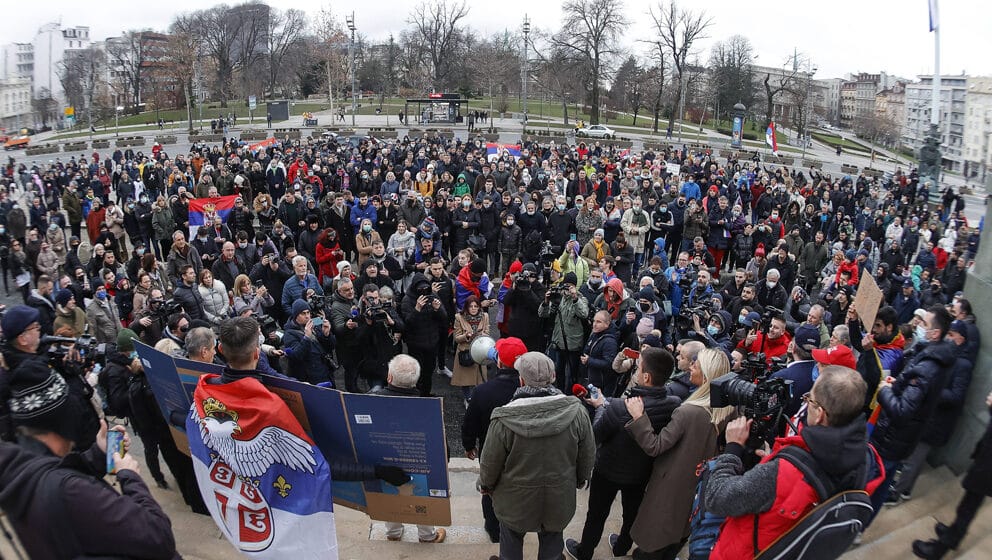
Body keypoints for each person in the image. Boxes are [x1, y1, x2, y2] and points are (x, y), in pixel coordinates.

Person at [704, 366, 885, 559]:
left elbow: (717, 498)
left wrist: (733, 448)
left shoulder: (783, 472)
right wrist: (775, 459)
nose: (806, 404)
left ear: (820, 414)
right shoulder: (867, 456)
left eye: (810, 400)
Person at [0, 373, 178, 558]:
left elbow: (56, 471)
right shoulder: (72, 491)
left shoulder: (22, 474)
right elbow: (159, 536)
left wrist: (99, 453)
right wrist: (129, 476)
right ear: (63, 421)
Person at [566, 347, 682, 560]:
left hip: (608, 471)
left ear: (646, 377)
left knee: (596, 515)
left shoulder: (619, 408)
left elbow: (595, 436)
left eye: (639, 368)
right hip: (641, 474)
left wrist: (601, 407)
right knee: (631, 514)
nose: (636, 371)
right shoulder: (674, 404)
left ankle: (585, 552)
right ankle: (621, 547)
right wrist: (608, 404)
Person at [480, 352, 596, 560]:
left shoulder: (503, 418)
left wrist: (486, 485)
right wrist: (580, 479)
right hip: (558, 496)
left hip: (514, 500)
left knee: (511, 540)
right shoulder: (577, 412)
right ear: (552, 376)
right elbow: (588, 454)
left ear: (522, 379)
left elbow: (490, 462)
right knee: (552, 540)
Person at [624, 348, 736, 559]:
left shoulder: (689, 412)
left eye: (696, 365)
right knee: (676, 536)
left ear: (706, 376)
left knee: (654, 541)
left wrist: (639, 418)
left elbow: (654, 446)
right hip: (698, 490)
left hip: (671, 488)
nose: (690, 367)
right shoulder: (730, 409)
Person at [868, 305, 955, 520]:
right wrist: (898, 385)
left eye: (925, 324)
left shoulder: (929, 367)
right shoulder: (932, 357)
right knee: (883, 482)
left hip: (892, 439)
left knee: (872, 484)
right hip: (902, 439)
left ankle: (856, 524)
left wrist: (885, 392)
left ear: (935, 333)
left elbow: (903, 410)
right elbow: (915, 394)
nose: (919, 327)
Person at [371, 354, 447, 544]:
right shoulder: (427, 407)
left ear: (389, 378)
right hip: (418, 462)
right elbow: (439, 444)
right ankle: (427, 535)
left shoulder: (372, 401)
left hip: (384, 461)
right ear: (416, 380)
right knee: (421, 494)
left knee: (389, 492)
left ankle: (393, 532)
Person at [912, 389, 992, 559]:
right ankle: (954, 535)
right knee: (970, 503)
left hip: (988, 466)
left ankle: (940, 549)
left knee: (968, 507)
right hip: (986, 459)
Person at [462, 337, 527, 543]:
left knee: (489, 488)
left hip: (491, 451)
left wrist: (468, 445)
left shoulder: (482, 391)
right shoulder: (531, 389)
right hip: (524, 452)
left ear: (498, 362)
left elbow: (470, 422)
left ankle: (493, 529)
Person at [282, 299, 336, 386]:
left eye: (308, 312)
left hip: (324, 371)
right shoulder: (289, 333)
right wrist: (306, 337)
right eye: (303, 313)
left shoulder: (315, 323)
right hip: (309, 377)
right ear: (296, 315)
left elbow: (331, 346)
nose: (307, 316)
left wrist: (327, 335)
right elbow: (297, 356)